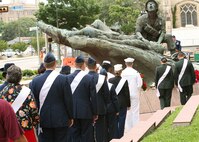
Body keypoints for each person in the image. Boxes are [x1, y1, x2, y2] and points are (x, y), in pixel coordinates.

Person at [30, 52, 74, 142]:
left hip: (43, 119)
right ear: (55, 63)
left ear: (44, 64)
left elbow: (33, 102)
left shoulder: (35, 81)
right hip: (61, 119)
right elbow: (68, 100)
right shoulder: (63, 79)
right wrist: (70, 117)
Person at [0, 65, 39, 142]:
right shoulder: (27, 91)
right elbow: (33, 109)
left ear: (7, 76)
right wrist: (35, 122)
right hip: (26, 128)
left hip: (10, 131)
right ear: (20, 77)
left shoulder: (2, 92)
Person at [67, 55, 98, 142]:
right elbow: (93, 97)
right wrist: (95, 112)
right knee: (87, 135)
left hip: (72, 111)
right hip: (86, 111)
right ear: (83, 65)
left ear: (75, 65)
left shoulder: (68, 78)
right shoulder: (89, 78)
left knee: (75, 134)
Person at [87, 57, 110, 142]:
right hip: (100, 107)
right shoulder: (101, 78)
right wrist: (105, 104)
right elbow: (107, 94)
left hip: (87, 107)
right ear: (95, 66)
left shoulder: (84, 77)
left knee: (88, 131)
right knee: (100, 130)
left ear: (87, 65)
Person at [109, 64, 131, 138]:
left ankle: (115, 136)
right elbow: (126, 94)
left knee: (114, 120)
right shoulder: (124, 81)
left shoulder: (110, 80)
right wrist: (128, 104)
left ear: (115, 71)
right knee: (122, 119)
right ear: (121, 71)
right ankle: (121, 135)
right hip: (122, 103)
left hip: (113, 103)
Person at [121, 57, 143, 131]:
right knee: (135, 110)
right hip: (134, 93)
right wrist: (136, 89)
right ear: (132, 64)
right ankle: (136, 126)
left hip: (125, 95)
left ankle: (128, 128)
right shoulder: (135, 72)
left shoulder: (122, 73)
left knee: (127, 111)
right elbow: (140, 84)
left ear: (125, 64)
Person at [99, 68, 119, 141]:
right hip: (111, 109)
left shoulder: (96, 85)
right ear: (106, 77)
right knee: (111, 126)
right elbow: (114, 99)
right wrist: (117, 110)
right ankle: (111, 139)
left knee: (103, 127)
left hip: (101, 109)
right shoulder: (111, 85)